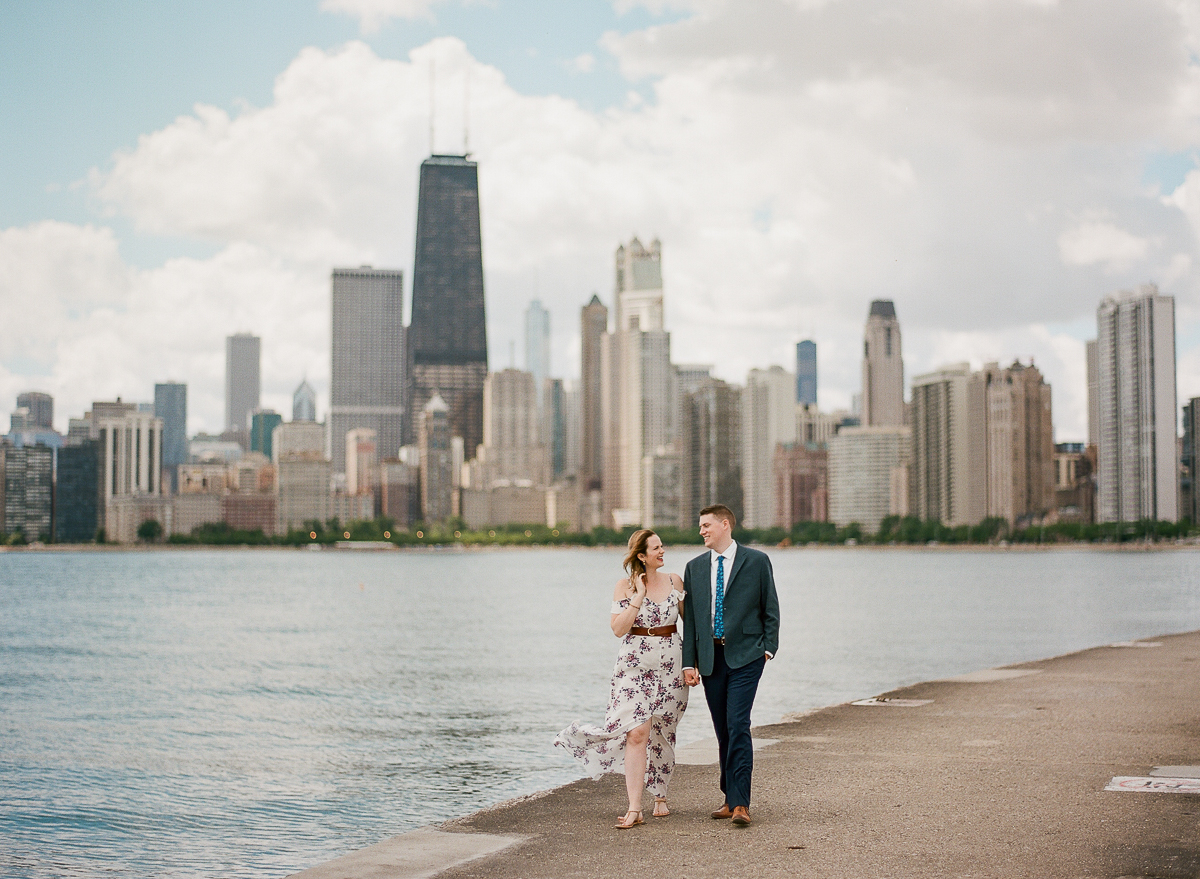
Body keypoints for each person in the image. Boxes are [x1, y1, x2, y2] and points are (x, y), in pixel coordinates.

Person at [554, 529, 689, 829]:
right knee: (636, 732)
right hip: (633, 666)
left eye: (662, 545)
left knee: (663, 730)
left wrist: (693, 666)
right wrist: (638, 597)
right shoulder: (624, 586)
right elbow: (618, 629)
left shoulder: (675, 581)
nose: (662, 551)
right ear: (641, 555)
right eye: (656, 548)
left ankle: (660, 793)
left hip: (671, 663)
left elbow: (688, 624)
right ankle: (634, 807)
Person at [682, 504, 780, 827]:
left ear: (725, 525)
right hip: (711, 659)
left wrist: (768, 649)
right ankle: (729, 796)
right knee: (723, 728)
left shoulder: (757, 561)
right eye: (700, 526)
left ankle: (741, 804)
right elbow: (693, 621)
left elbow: (771, 608)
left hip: (747, 655)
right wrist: (689, 663)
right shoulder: (694, 568)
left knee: (738, 722)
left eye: (707, 525)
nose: (702, 531)